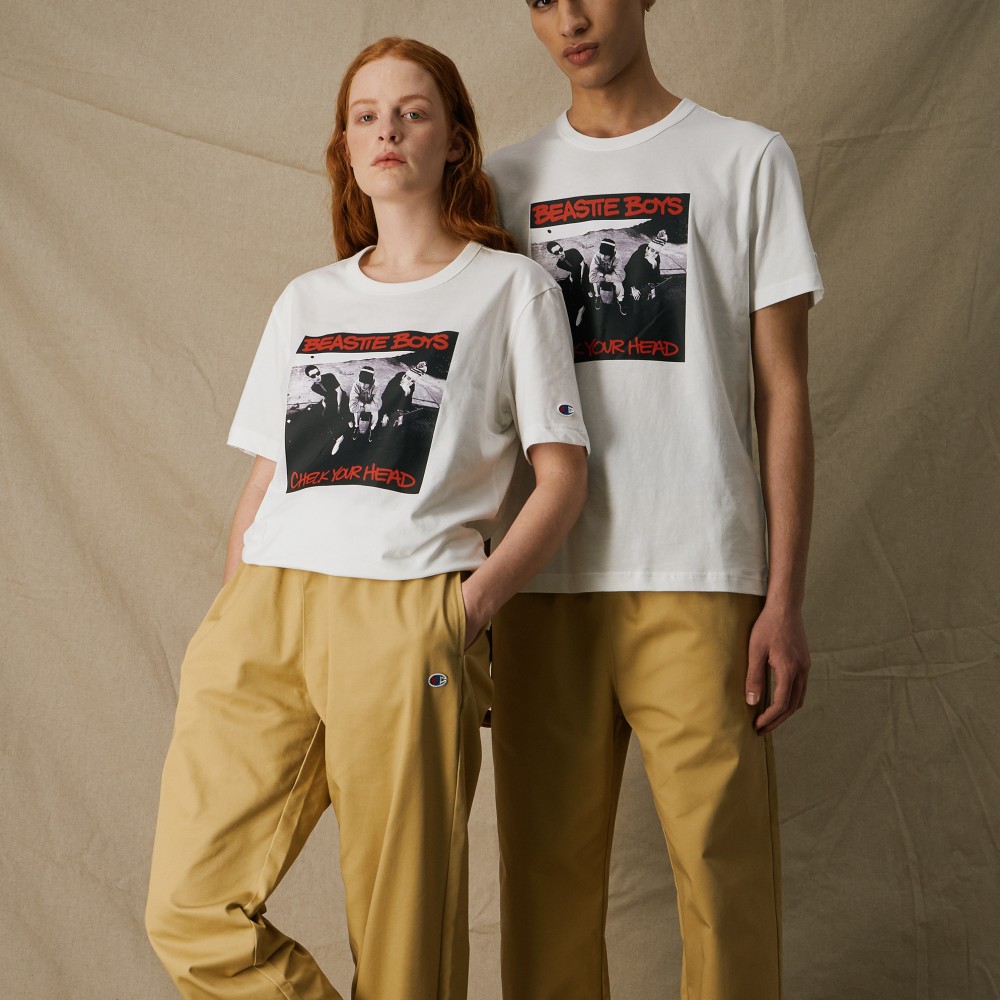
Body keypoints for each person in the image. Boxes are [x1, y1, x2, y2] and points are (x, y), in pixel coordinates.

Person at [145, 35, 589, 1000]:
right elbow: (267, 477)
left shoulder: (510, 288)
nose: (388, 130)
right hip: (266, 611)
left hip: (407, 614)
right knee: (189, 910)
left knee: (404, 952)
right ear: (346, 148)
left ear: (455, 141)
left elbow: (561, 479)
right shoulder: (308, 298)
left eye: (412, 112)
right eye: (365, 116)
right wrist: (233, 613)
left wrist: (461, 614)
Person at [485, 2, 823, 998]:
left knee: (726, 884)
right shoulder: (502, 183)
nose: (570, 17)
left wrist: (783, 597)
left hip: (699, 571)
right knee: (542, 895)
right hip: (540, 584)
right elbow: (477, 403)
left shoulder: (746, 160)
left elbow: (784, 393)